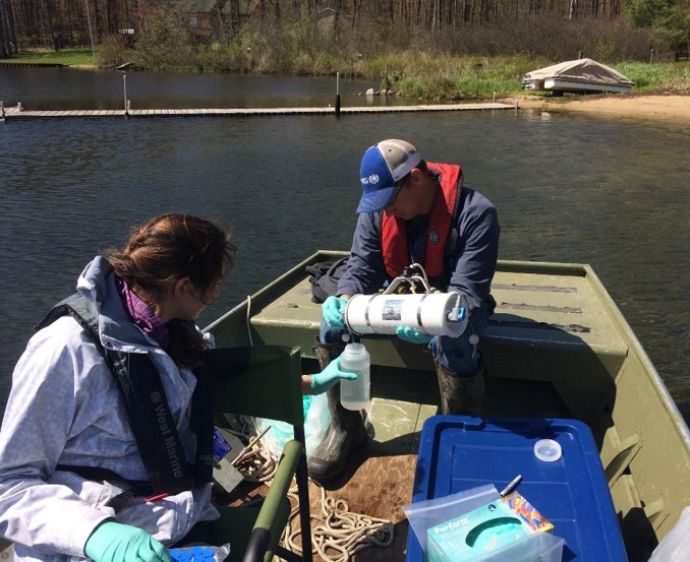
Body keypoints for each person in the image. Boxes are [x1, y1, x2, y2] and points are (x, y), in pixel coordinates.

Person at [0, 213, 354, 562]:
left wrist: (314, 382)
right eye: (214, 286)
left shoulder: (175, 331)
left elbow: (207, 377)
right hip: (79, 547)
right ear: (183, 287)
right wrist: (94, 533)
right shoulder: (65, 350)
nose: (216, 294)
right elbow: (9, 487)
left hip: (175, 520)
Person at [312, 139, 499, 481]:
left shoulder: (477, 213)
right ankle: (346, 429)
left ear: (415, 179)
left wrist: (433, 322)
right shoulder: (377, 210)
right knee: (331, 325)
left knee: (455, 338)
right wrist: (345, 296)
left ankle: (456, 437)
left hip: (452, 304)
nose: (384, 211)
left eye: (390, 201)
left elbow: (469, 294)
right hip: (393, 296)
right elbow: (362, 265)